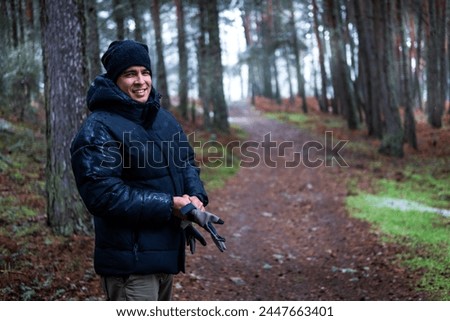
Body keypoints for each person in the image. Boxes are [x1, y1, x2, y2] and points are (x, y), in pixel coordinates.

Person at [70, 39, 226, 301]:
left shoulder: (162, 118)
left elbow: (186, 162)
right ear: (115, 80)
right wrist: (170, 205)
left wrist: (195, 196)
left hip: (164, 257)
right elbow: (103, 195)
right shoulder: (99, 128)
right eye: (130, 74)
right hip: (130, 265)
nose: (140, 81)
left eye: (145, 72)